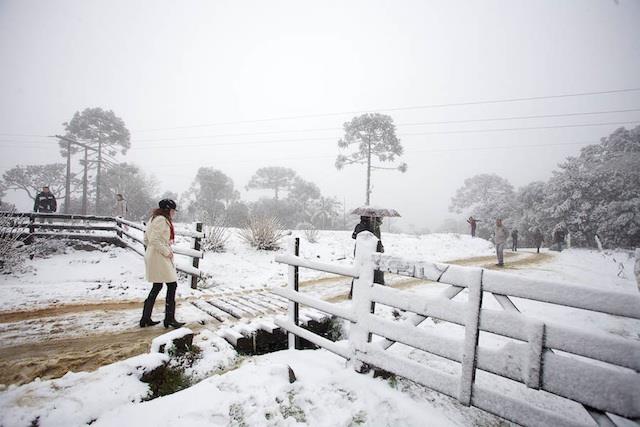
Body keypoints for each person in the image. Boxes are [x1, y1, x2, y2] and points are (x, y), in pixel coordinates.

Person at [140, 199, 185, 329]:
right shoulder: (161, 220)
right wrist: (166, 252)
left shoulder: (154, 218)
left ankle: (146, 318)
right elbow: (154, 239)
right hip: (159, 256)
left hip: (155, 255)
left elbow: (146, 239)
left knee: (157, 286)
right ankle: (169, 319)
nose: (174, 213)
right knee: (172, 285)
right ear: (167, 210)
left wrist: (151, 251)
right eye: (173, 210)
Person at [348, 216, 385, 299]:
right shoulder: (366, 226)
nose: (382, 219)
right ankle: (354, 293)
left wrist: (380, 246)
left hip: (367, 251)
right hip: (364, 252)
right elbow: (355, 236)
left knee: (367, 272)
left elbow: (377, 239)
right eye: (380, 218)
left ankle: (358, 293)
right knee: (362, 272)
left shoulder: (375, 226)